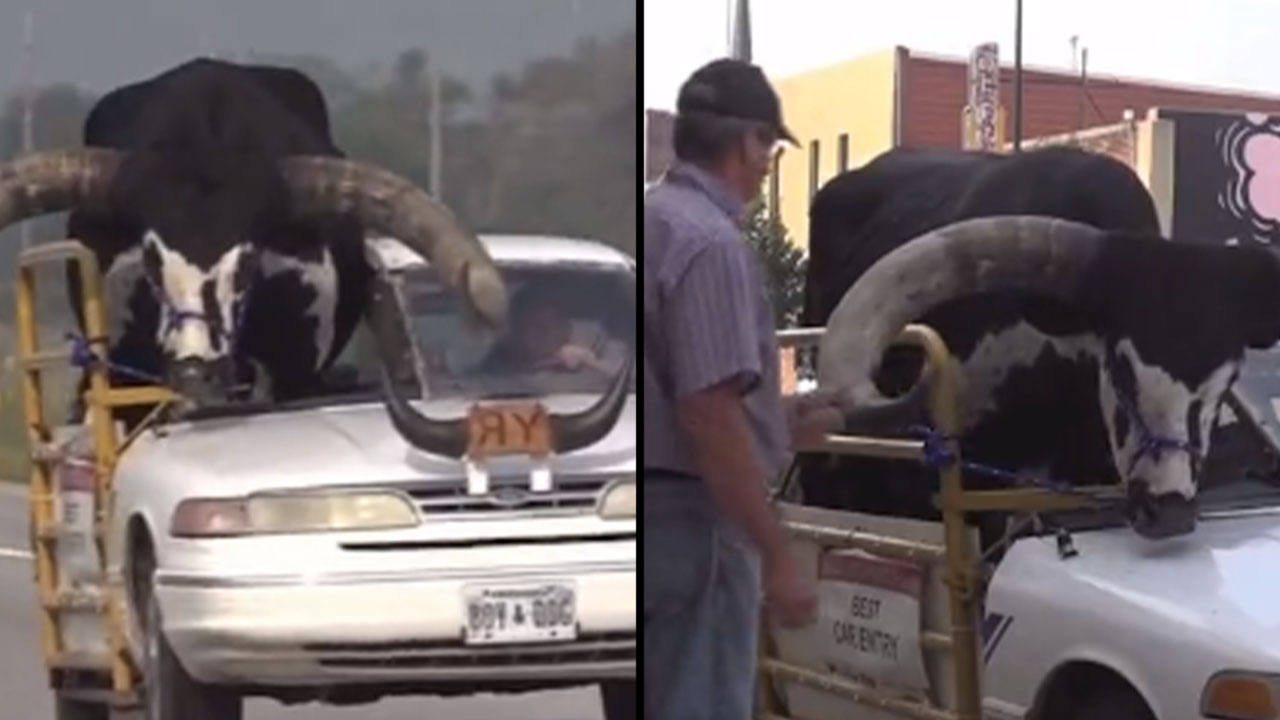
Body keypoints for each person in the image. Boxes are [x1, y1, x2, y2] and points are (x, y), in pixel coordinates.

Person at [643, 58, 846, 720]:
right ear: (746, 140)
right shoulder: (710, 244)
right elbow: (706, 415)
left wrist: (778, 421)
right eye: (769, 146)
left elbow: (679, 394)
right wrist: (778, 553)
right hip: (694, 521)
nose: (767, 165)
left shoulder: (653, 219)